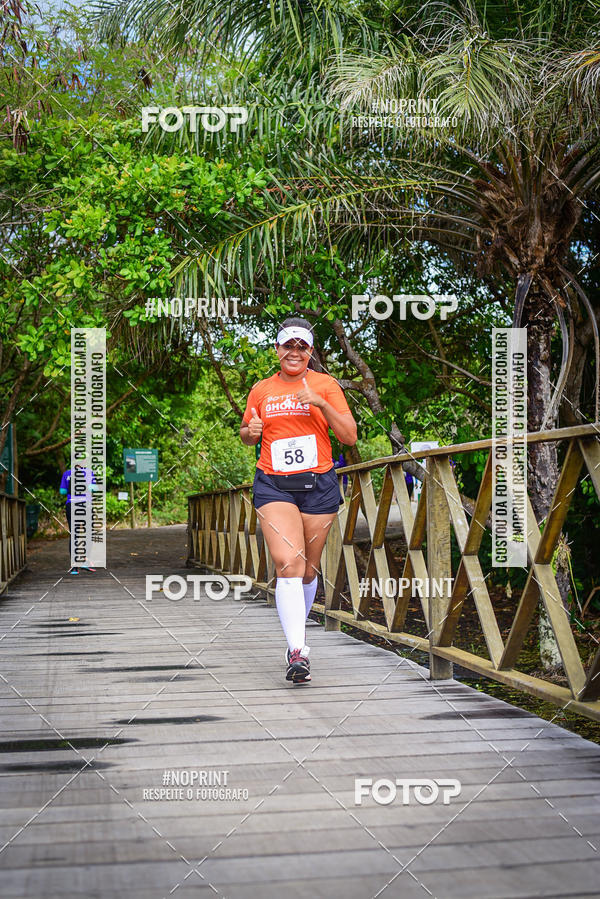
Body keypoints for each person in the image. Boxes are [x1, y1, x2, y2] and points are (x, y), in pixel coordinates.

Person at [240, 317, 358, 684]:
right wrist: (250, 432)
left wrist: (321, 403)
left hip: (318, 482)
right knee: (287, 562)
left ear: (310, 352)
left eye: (301, 346)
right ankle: (297, 650)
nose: (294, 352)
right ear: (277, 350)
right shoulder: (261, 389)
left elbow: (350, 437)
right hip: (274, 484)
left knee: (308, 569)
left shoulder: (326, 385)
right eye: (287, 345)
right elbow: (247, 433)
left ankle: (299, 638)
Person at [59, 466, 97, 574]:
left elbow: (62, 491)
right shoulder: (89, 472)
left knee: (74, 535)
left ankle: (75, 567)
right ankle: (85, 561)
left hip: (71, 505)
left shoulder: (67, 473)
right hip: (86, 506)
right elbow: (93, 489)